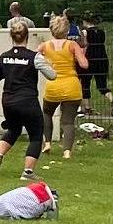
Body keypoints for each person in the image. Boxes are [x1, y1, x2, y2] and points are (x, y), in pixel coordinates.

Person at [0, 22, 53, 179]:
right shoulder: (34, 56)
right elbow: (52, 75)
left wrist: (10, 71)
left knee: (13, 130)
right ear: (27, 36)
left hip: (8, 101)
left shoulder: (5, 57)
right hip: (27, 101)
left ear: (11, 36)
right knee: (36, 135)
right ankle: (28, 172)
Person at [38, 16, 88, 159]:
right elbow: (84, 64)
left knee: (47, 113)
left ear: (51, 30)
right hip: (71, 86)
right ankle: (67, 151)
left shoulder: (44, 46)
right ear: (66, 30)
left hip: (53, 86)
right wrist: (81, 54)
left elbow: (34, 58)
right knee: (68, 121)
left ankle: (47, 143)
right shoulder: (72, 45)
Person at [81, 14, 113, 111]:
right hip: (102, 59)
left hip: (90, 59)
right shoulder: (102, 31)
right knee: (101, 85)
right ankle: (112, 99)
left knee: (85, 83)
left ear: (85, 22)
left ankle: (87, 107)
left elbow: (85, 44)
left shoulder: (85, 32)